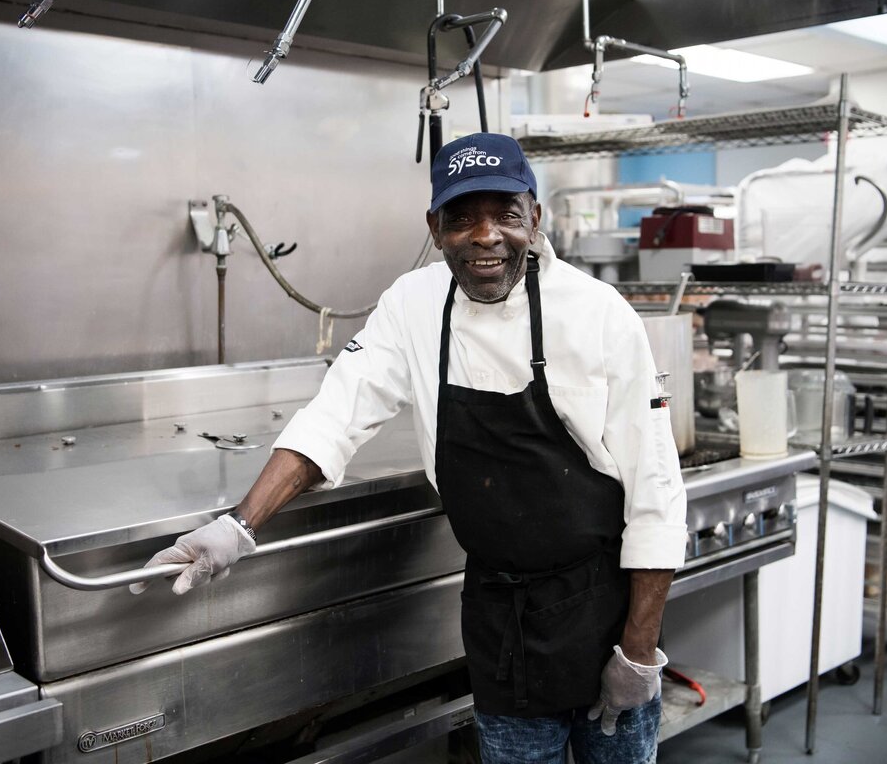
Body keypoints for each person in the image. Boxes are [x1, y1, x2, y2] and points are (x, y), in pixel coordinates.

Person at [132, 133, 688, 764]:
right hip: (498, 615)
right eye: (462, 218)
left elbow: (656, 495)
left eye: (505, 214)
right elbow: (336, 415)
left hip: (604, 613)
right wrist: (239, 526)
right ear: (435, 226)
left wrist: (638, 653)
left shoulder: (599, 314)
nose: (485, 237)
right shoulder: (413, 304)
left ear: (534, 217)